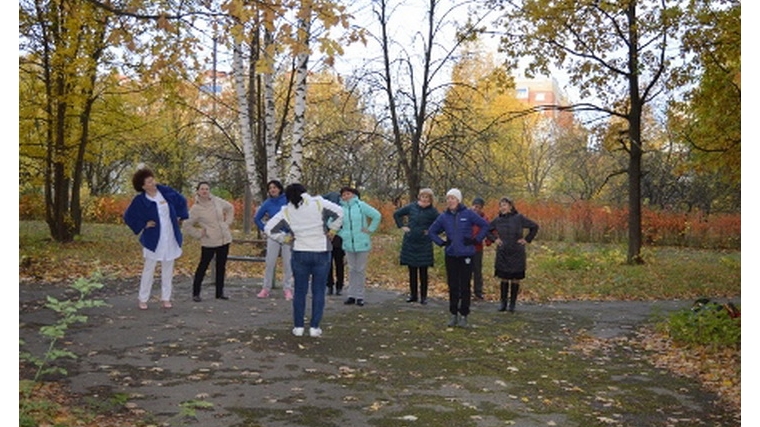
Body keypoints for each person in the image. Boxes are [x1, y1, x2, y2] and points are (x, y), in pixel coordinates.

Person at [264, 183, 343, 337]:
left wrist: (285, 238)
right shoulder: (319, 203)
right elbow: (340, 212)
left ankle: (298, 327)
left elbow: (269, 228)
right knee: (318, 291)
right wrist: (333, 229)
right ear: (304, 192)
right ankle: (314, 327)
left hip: (300, 252)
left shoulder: (286, 211)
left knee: (300, 291)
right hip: (321, 251)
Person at [123, 168, 189, 310]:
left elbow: (181, 201)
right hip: (153, 237)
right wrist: (143, 225)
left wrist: (179, 216)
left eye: (152, 179)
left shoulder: (164, 191)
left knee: (168, 268)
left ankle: (166, 298)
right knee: (149, 268)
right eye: (149, 182)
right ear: (143, 186)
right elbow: (128, 216)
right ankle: (143, 298)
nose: (153, 183)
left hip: (170, 235)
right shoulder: (140, 200)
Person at [427, 188, 490, 328]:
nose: (450, 201)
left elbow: (485, 225)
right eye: (448, 198)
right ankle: (453, 314)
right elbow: (431, 231)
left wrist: (476, 240)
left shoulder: (468, 214)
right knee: (453, 285)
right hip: (451, 255)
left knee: (465, 286)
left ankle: (464, 316)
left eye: (453, 198)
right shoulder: (444, 216)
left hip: (466, 255)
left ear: (458, 200)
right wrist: (442, 242)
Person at [183, 182, 235, 302]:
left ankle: (219, 292)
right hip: (209, 241)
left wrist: (227, 223)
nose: (205, 191)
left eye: (207, 189)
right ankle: (196, 293)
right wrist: (198, 234)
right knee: (203, 266)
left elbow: (230, 208)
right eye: (202, 189)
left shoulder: (217, 201)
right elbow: (187, 225)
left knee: (221, 267)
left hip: (224, 239)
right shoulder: (196, 208)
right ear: (198, 191)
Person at [488, 196, 539, 312]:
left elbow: (534, 226)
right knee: (504, 278)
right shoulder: (498, 220)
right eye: (500, 206)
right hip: (503, 251)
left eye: (504, 205)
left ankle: (512, 304)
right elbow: (487, 230)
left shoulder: (519, 218)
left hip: (517, 251)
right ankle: (503, 303)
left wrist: (526, 239)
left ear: (510, 206)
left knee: (515, 278)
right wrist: (495, 239)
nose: (502, 208)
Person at [393, 188, 439, 304]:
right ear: (419, 197)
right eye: (422, 196)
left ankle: (424, 297)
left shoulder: (433, 211)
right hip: (410, 242)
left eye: (427, 197)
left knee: (423, 272)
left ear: (430, 199)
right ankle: (413, 295)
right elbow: (397, 214)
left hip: (424, 244)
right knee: (412, 270)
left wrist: (431, 231)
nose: (424, 199)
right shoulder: (412, 207)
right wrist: (402, 226)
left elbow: (441, 223)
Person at [338, 186, 382, 307]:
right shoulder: (340, 208)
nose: (346, 196)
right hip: (348, 243)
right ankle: (351, 295)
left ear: (353, 194)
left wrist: (370, 229)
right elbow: (331, 221)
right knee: (351, 269)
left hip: (362, 242)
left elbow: (376, 215)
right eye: (344, 195)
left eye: (348, 194)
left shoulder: (361, 205)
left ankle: (360, 296)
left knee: (360, 270)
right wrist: (341, 233)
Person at [254, 180, 294, 300]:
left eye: (275, 187)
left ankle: (287, 288)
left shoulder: (287, 200)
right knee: (270, 262)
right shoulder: (267, 203)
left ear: (280, 189)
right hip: (273, 236)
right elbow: (257, 218)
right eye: (270, 188)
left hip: (287, 235)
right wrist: (265, 229)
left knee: (288, 263)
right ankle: (266, 288)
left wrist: (293, 230)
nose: (273, 190)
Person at [323, 191, 345, 296]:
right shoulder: (324, 211)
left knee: (337, 262)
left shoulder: (342, 210)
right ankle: (331, 285)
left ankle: (338, 285)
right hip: (328, 238)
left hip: (339, 238)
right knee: (330, 263)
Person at [470, 197, 491, 300]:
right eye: (474, 206)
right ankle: (465, 290)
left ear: (481, 208)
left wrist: (488, 241)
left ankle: (478, 292)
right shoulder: (467, 216)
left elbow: (489, 230)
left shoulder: (484, 219)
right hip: (466, 248)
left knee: (477, 270)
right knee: (466, 270)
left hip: (477, 248)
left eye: (478, 207)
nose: (475, 208)